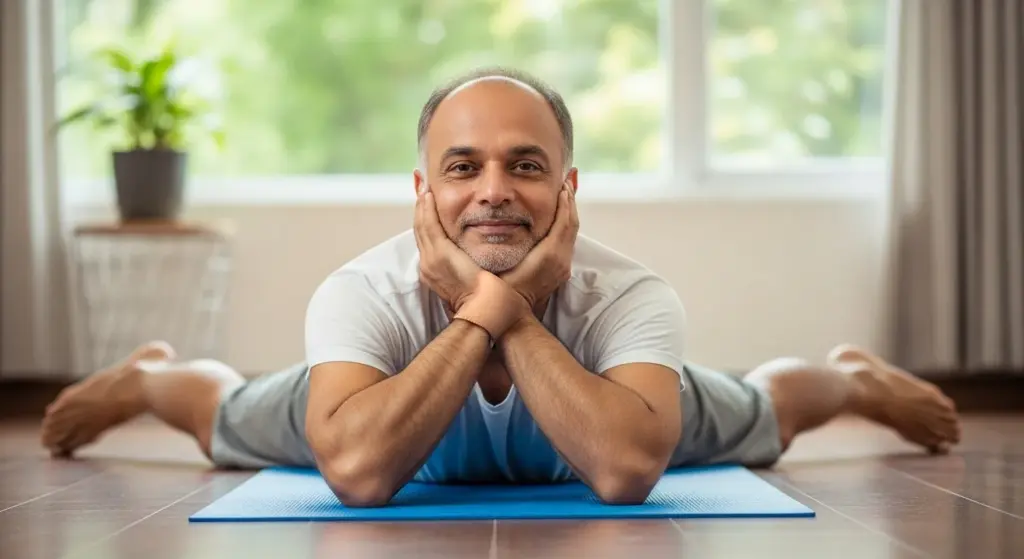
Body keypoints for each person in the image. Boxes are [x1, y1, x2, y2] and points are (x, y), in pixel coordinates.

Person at [40, 67, 961, 507]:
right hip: (387, 404)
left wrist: (495, 309)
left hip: (597, 410)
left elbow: (624, 468)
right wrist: (498, 304)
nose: (492, 192)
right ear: (421, 190)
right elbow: (357, 472)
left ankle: (852, 373)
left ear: (567, 189)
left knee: (768, 406)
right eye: (463, 166)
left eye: (525, 166)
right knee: (225, 413)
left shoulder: (631, 295)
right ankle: (148, 371)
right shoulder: (360, 294)